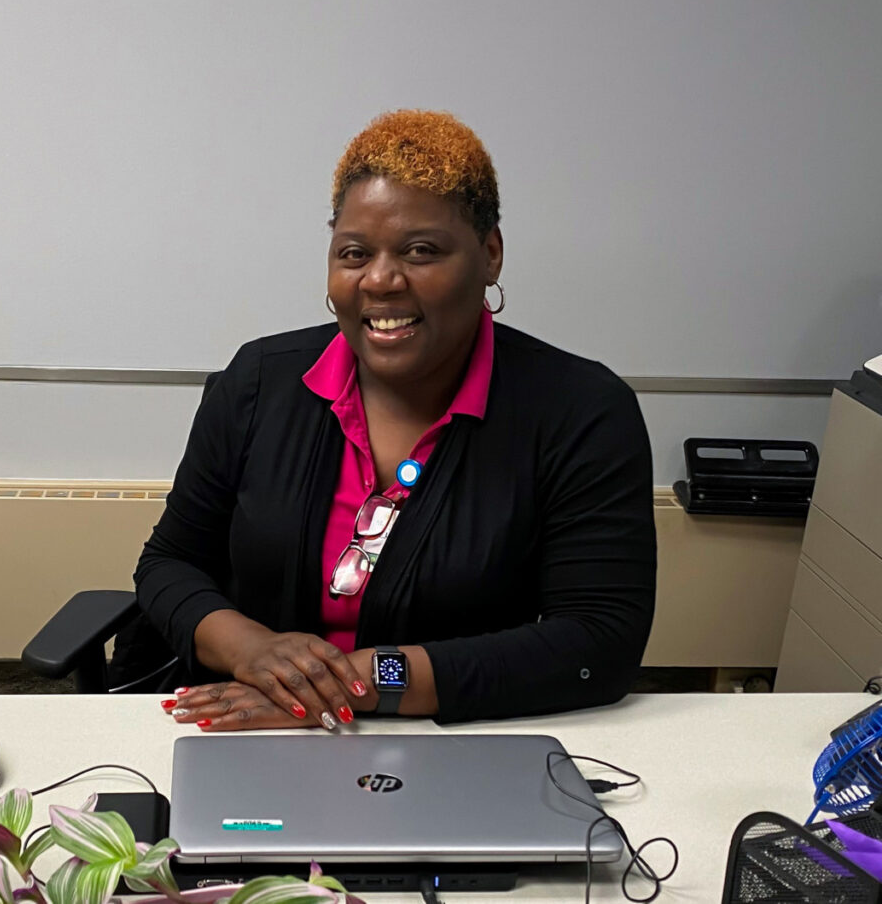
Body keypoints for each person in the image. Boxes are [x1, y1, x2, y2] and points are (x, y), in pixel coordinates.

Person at [133, 109, 656, 730]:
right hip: (243, 726)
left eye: (421, 251)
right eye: (355, 253)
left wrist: (352, 684)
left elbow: (598, 640)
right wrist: (255, 651)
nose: (380, 279)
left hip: (459, 741)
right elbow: (169, 562)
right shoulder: (259, 381)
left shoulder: (581, 411)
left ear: (490, 255)